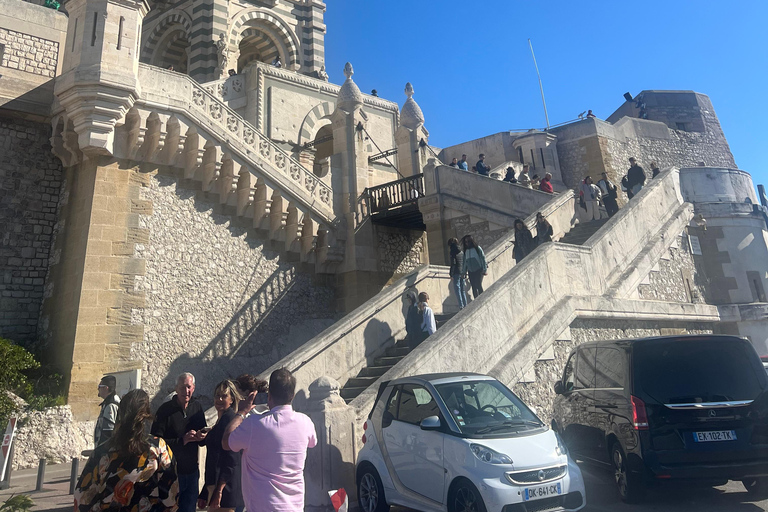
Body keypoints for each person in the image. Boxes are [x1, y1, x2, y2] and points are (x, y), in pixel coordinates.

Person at [223, 368, 317, 512]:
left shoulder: (254, 424)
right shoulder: (306, 422)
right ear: (292, 395)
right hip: (294, 507)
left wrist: (242, 412)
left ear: (269, 395)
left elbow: (226, 442)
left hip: (262, 506)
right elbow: (313, 442)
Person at [75, 389, 178, 512]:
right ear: (145, 414)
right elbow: (171, 497)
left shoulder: (102, 451)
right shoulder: (158, 448)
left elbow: (81, 498)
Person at [151, 372, 207, 512]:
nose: (186, 391)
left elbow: (202, 435)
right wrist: (181, 441)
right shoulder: (165, 410)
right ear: (176, 389)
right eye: (182, 387)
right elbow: (155, 442)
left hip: (192, 472)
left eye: (188, 387)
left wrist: (202, 437)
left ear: (193, 388)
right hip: (172, 474)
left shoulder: (197, 408)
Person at [198, 380, 243, 512]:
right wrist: (205, 492)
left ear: (232, 399)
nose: (219, 399)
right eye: (217, 395)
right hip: (217, 486)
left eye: (224, 396)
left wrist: (219, 490)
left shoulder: (229, 420)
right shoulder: (222, 420)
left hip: (226, 490)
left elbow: (231, 459)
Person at [94, 375, 120, 447]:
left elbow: (108, 432)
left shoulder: (111, 405)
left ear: (106, 388)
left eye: (99, 386)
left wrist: (102, 452)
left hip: (106, 450)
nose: (98, 389)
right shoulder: (107, 403)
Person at [448, 238, 466, 310]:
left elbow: (453, 263)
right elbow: (464, 262)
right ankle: (465, 304)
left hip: (456, 272)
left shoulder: (453, 251)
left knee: (457, 289)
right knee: (462, 289)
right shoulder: (461, 251)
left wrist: (451, 274)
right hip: (462, 271)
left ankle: (461, 305)